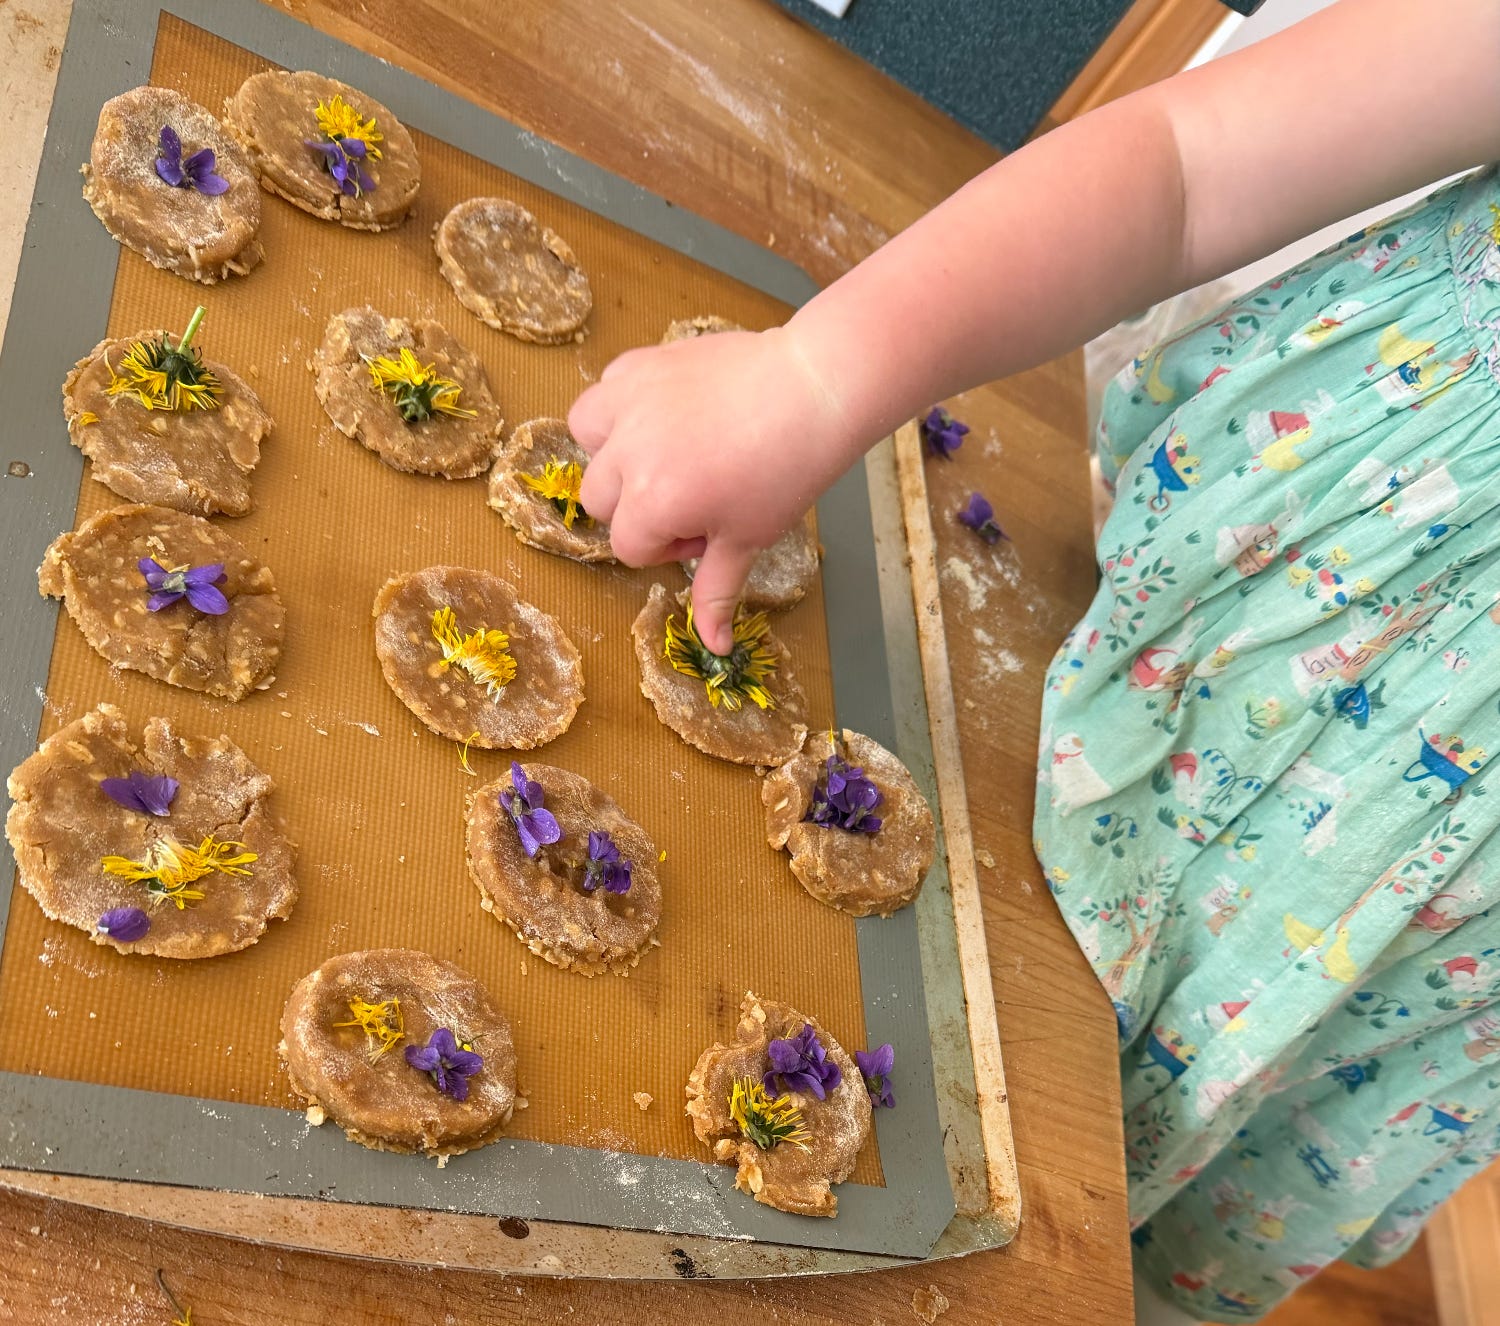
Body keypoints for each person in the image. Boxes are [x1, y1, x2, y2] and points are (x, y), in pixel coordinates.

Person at [569, 0, 1500, 1317]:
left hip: (1358, 1022)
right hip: (1137, 673)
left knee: (1055, 1235)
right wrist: (818, 376)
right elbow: (1190, 169)